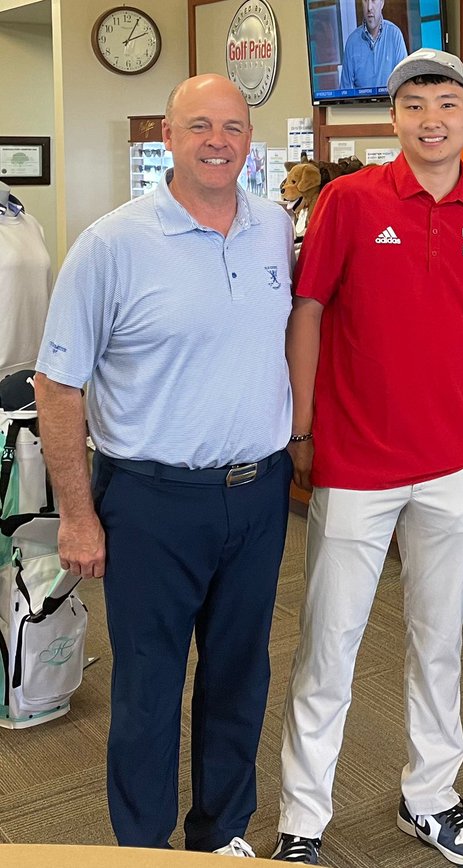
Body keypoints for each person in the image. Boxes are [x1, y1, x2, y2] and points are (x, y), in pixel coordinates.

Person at [273, 49, 463, 868]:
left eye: (446, 104)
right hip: (356, 465)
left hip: (455, 465)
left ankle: (432, 797)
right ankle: (303, 820)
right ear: (394, 120)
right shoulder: (348, 201)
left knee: (440, 642)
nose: (431, 118)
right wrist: (304, 426)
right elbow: (307, 311)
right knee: (328, 647)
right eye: (414, 105)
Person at [33, 74, 294, 856]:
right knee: (148, 689)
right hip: (150, 499)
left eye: (234, 127)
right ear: (168, 139)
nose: (219, 141)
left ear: (250, 139)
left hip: (256, 494)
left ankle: (221, 834)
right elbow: (57, 384)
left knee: (240, 680)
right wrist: (77, 516)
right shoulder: (113, 243)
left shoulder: (275, 226)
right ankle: (143, 847)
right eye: (200, 126)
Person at [339, 0, 407, 91]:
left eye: (373, 1)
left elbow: (404, 85)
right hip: (363, 104)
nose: (369, 8)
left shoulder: (395, 35)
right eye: (365, 1)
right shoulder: (352, 42)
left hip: (389, 103)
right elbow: (344, 92)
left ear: (382, 3)